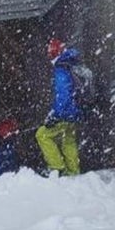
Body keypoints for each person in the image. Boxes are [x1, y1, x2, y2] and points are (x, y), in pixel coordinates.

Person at [35, 38, 83, 175]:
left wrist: (55, 115)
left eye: (50, 53)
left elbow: (63, 96)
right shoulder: (72, 63)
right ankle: (73, 172)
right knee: (68, 140)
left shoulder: (61, 68)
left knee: (42, 135)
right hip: (76, 111)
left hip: (66, 113)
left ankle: (57, 168)